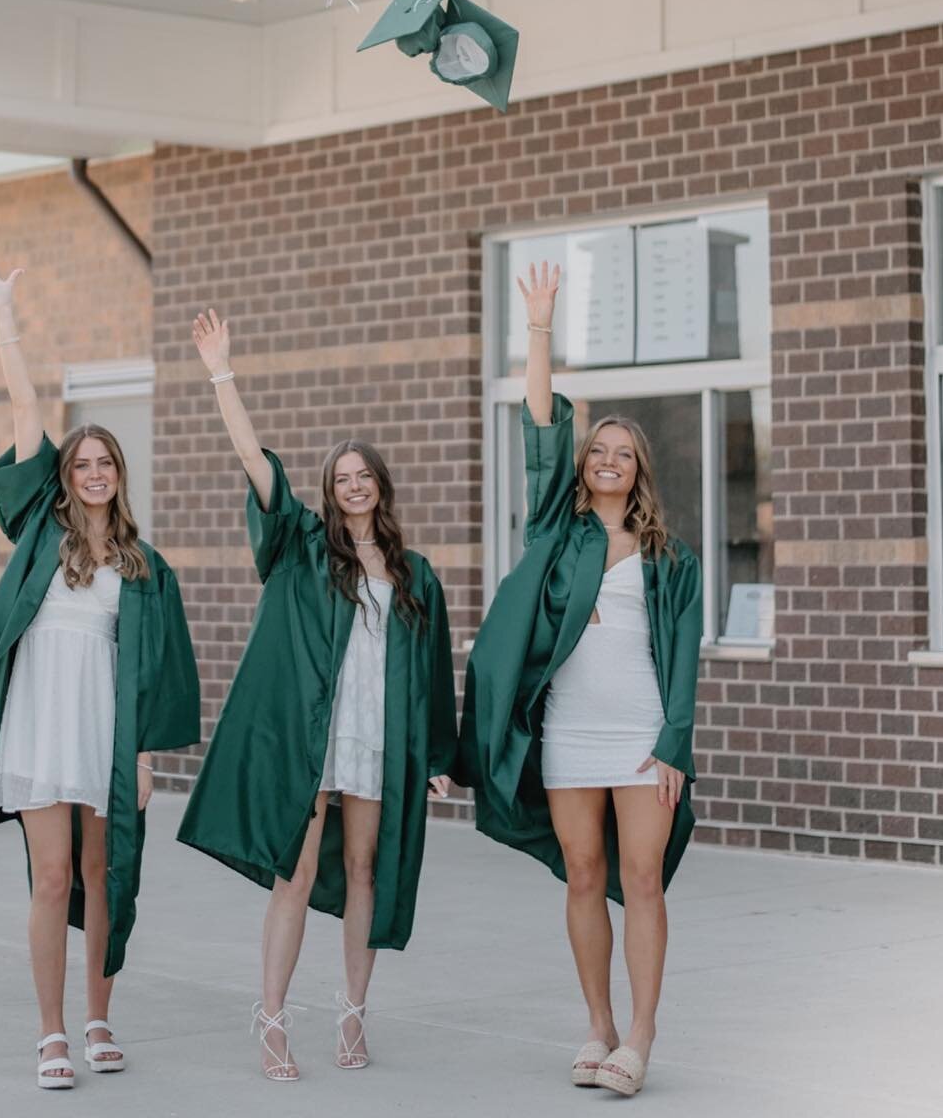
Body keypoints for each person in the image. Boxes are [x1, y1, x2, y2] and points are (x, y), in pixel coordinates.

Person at [178, 309, 458, 1081]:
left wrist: (436, 751)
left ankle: (353, 1017)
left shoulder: (415, 575)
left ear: (381, 486)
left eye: (363, 475)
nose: (354, 486)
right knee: (295, 874)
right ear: (330, 494)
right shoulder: (300, 545)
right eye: (341, 479)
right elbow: (253, 461)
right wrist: (222, 372)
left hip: (380, 735)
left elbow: (433, 669)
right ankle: (271, 1018)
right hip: (315, 735)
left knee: (367, 870)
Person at [0, 261, 200, 1090]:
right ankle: (51, 1032)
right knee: (51, 876)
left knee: (104, 873)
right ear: (65, 476)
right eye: (82, 463)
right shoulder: (35, 535)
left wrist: (145, 757)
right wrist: (3, 316)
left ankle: (98, 1020)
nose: (93, 473)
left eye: (105, 464)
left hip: (105, 735)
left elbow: (156, 674)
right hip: (39, 729)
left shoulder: (142, 567)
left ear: (119, 476)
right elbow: (26, 408)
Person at [461, 263, 703, 1099]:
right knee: (585, 874)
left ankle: (640, 1036)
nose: (605, 461)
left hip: (640, 733)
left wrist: (675, 740)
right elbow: (538, 428)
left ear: (640, 471)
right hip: (568, 730)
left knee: (642, 879)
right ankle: (598, 1024)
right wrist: (538, 328)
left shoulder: (671, 561)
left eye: (621, 454)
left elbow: (684, 656)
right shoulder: (555, 532)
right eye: (596, 451)